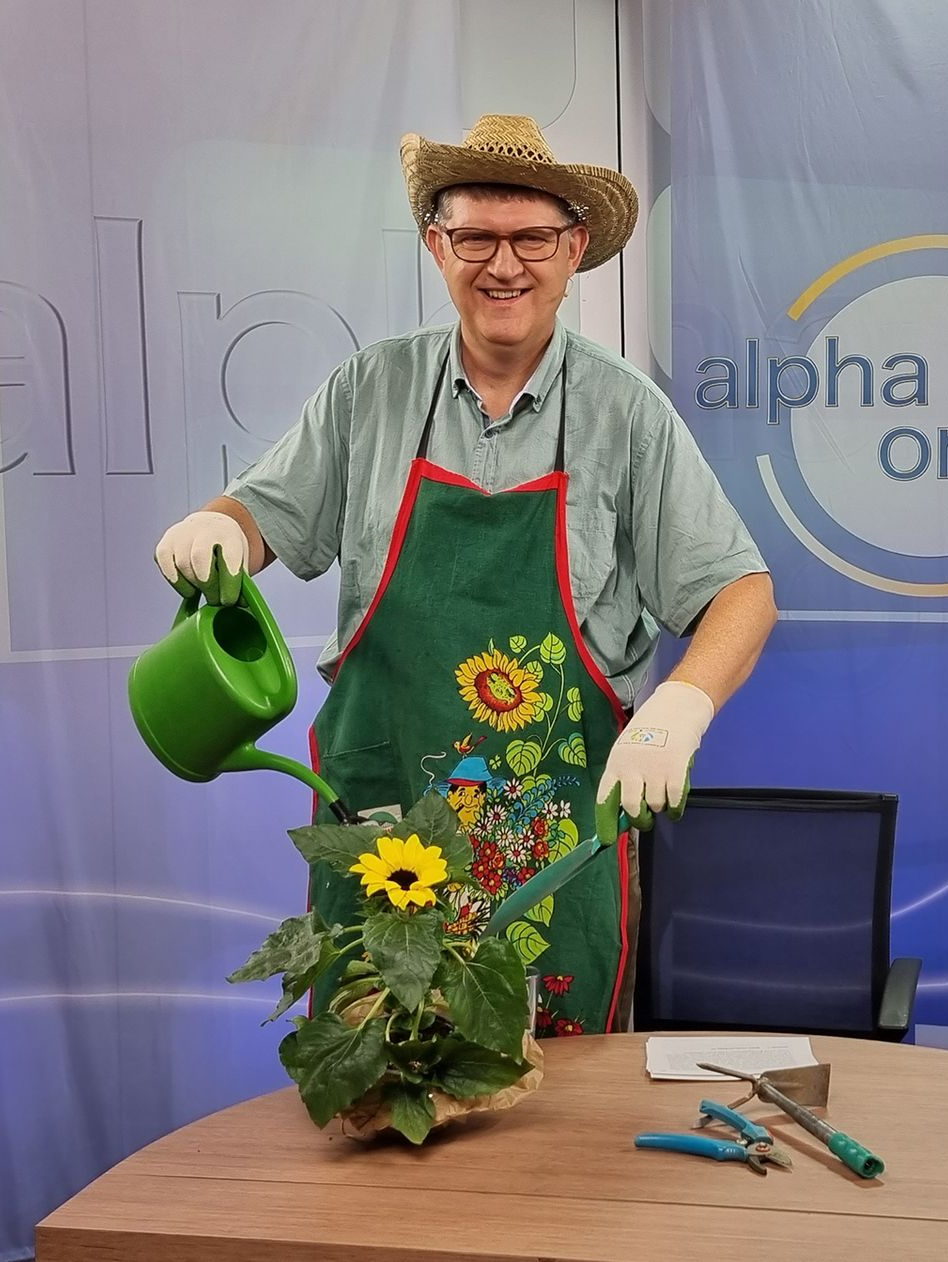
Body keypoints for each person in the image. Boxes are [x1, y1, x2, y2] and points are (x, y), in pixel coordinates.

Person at [156, 114, 776, 1034]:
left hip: (553, 844)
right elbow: (262, 518)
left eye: (532, 239)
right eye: (476, 237)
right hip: (386, 833)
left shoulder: (626, 414)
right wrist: (219, 530)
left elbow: (742, 593)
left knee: (559, 1095)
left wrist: (678, 709)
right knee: (378, 1070)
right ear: (436, 246)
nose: (504, 266)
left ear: (574, 250)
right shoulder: (368, 391)